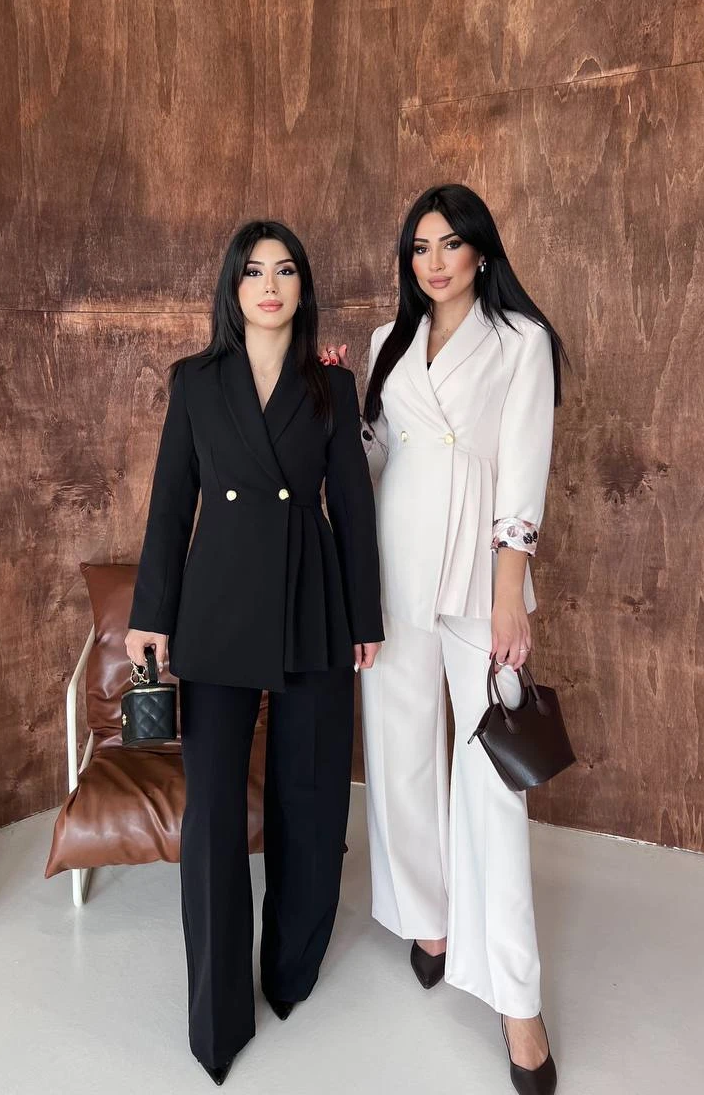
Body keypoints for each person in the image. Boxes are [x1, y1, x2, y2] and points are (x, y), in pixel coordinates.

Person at [125, 221, 384, 1086]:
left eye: (285, 271)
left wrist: (364, 617)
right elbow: (170, 503)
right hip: (218, 609)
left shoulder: (331, 386)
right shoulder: (195, 382)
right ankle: (217, 1015)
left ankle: (291, 972)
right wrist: (150, 615)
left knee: (310, 797)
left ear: (303, 288)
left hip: (314, 603)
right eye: (253, 271)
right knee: (210, 819)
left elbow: (353, 507)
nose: (269, 285)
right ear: (232, 288)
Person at [358, 184, 567, 1095]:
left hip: (483, 582)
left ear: (481, 250)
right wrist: (330, 401)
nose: (433, 262)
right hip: (394, 570)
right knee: (399, 754)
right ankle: (429, 919)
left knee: (492, 784)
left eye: (449, 244)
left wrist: (509, 595)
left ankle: (518, 1002)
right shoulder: (387, 342)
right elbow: (371, 455)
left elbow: (523, 474)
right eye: (419, 247)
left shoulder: (521, 342)